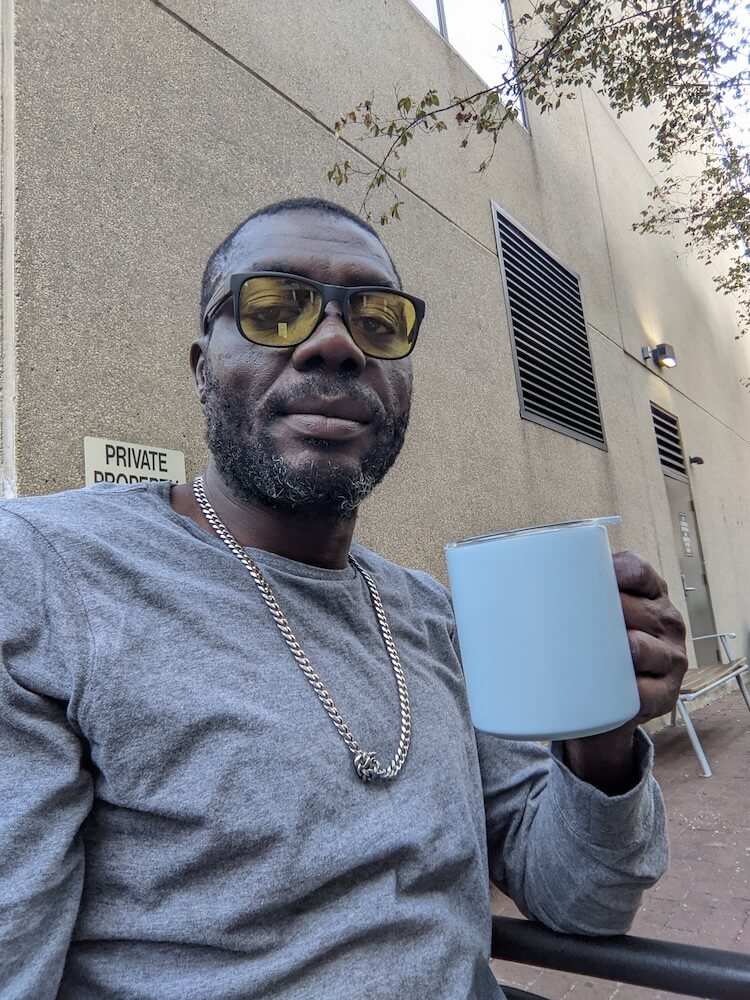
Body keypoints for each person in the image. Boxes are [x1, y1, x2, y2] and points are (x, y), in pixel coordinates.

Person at [0, 197, 687, 1000]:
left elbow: (583, 900)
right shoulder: (47, 574)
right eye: (273, 308)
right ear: (200, 366)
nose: (333, 343)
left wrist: (600, 741)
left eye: (378, 321)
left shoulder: (434, 617)